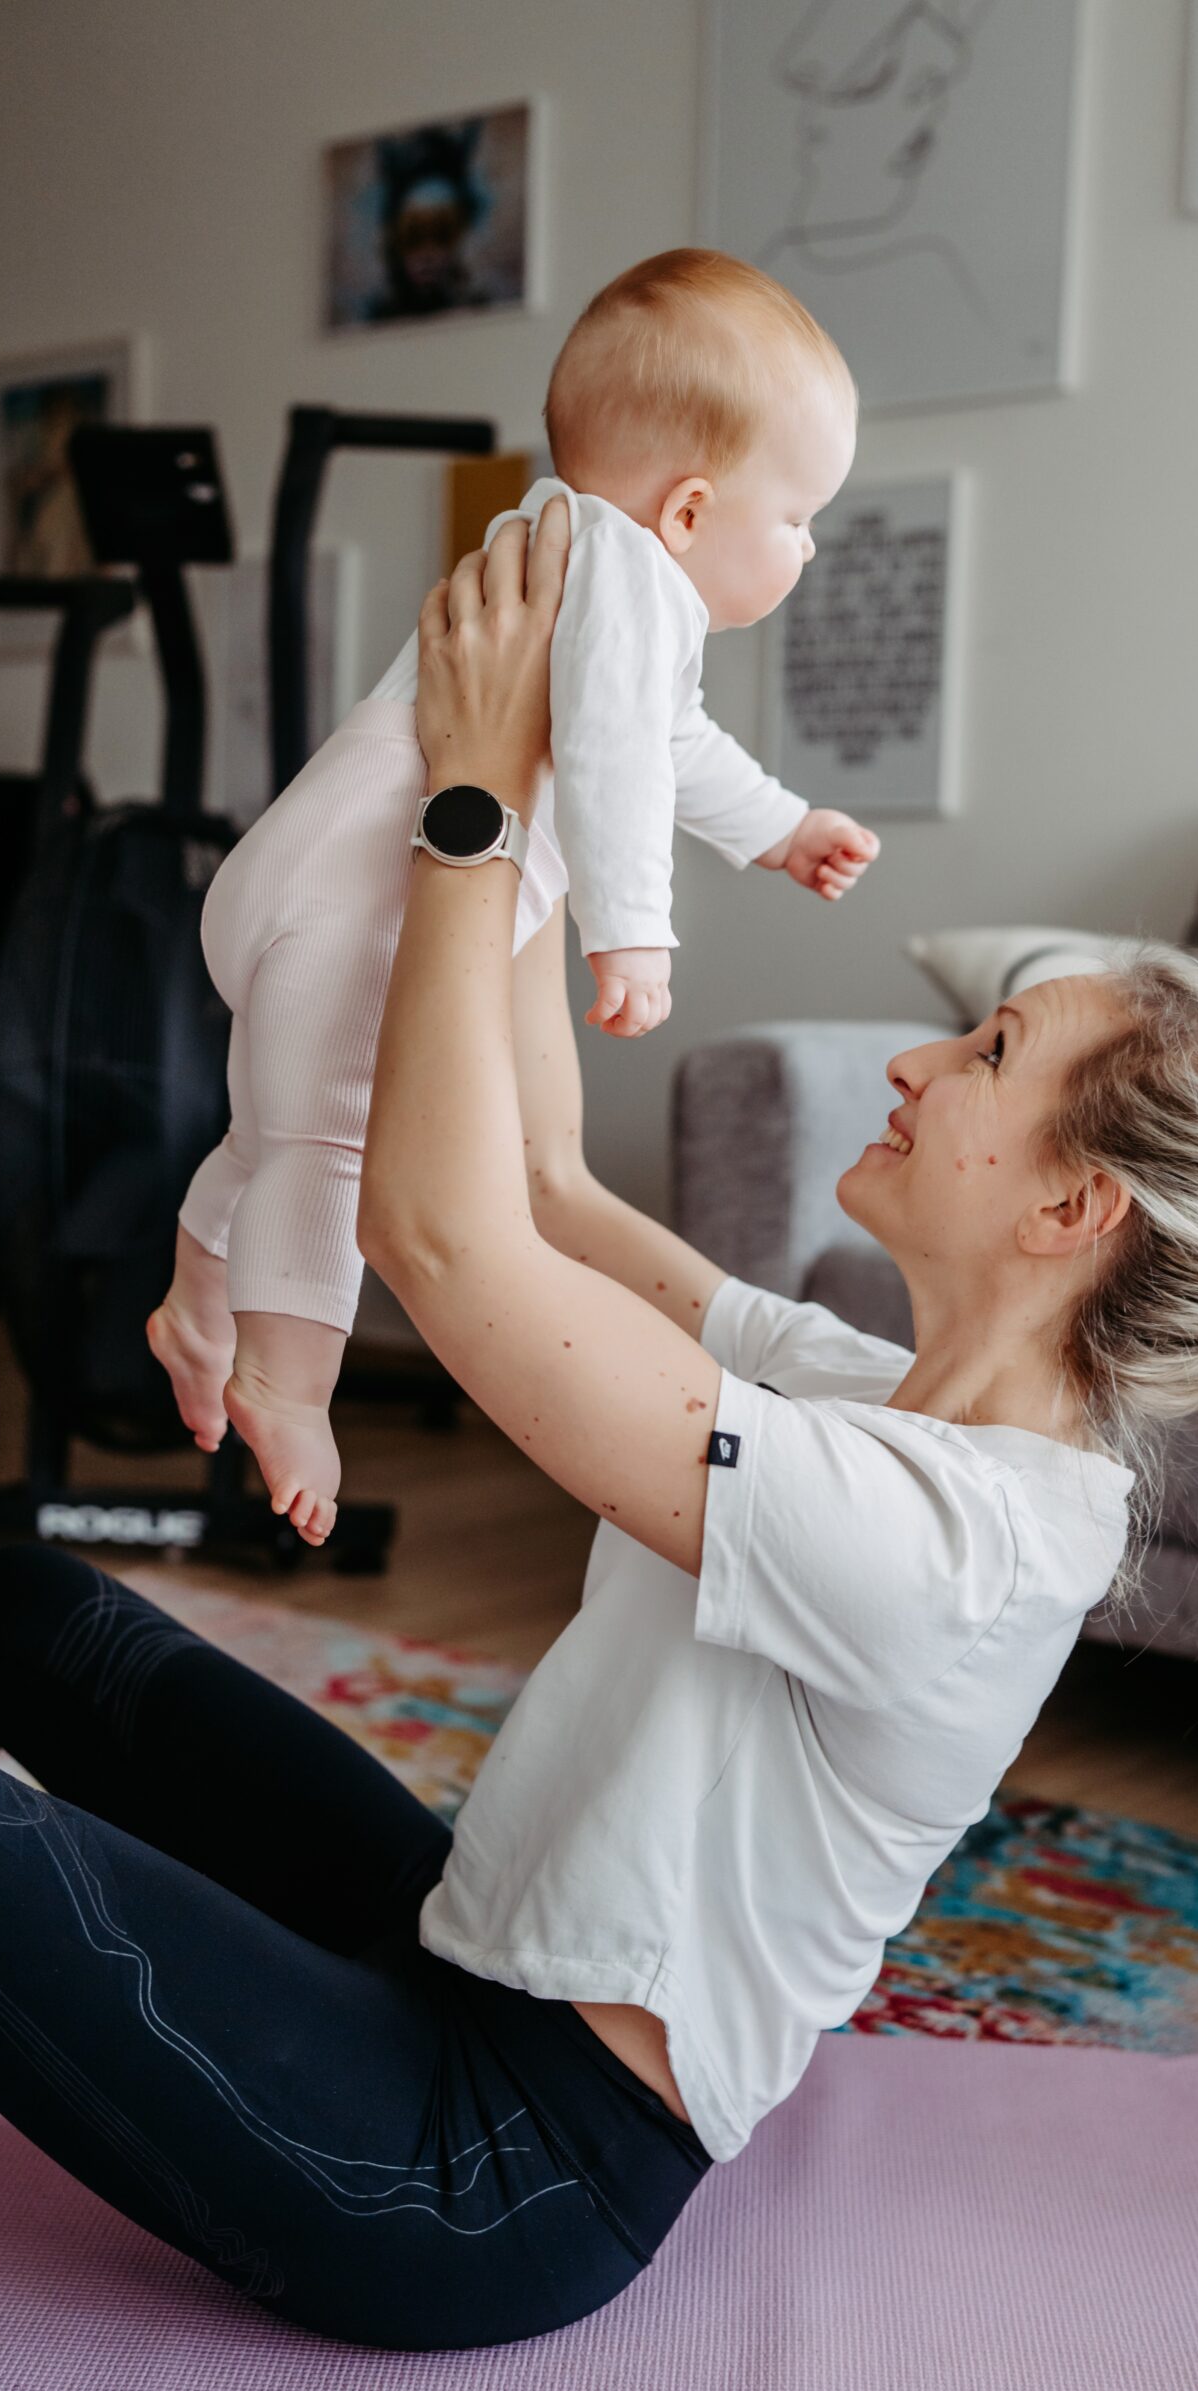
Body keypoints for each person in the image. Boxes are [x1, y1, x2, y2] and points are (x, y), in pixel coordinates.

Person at [0, 504, 1198, 2354]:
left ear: (1071, 1212)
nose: (917, 1062)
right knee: (32, 1620)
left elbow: (446, 1247)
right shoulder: (872, 1394)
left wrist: (461, 802)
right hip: (463, 1942)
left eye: (991, 1057)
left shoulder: (964, 1541)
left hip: (481, 2169)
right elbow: (534, 1184)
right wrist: (537, 784)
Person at [147, 248, 878, 1551]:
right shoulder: (633, 578)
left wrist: (781, 829)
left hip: (304, 880)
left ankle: (203, 1303)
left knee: (276, 1130)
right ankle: (285, 1375)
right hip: (352, 910)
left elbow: (666, 746)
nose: (811, 545)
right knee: (326, 1149)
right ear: (695, 509)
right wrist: (632, 937)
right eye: (802, 515)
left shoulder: (556, 539)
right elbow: (606, 760)